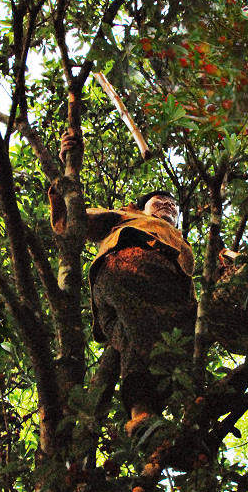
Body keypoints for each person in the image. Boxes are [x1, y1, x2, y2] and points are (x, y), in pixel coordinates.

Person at [50, 130, 196, 434]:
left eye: (173, 206)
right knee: (172, 340)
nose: (168, 206)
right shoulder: (129, 218)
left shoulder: (183, 244)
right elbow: (71, 221)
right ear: (138, 208)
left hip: (119, 308)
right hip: (131, 266)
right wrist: (66, 166)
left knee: (147, 351)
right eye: (160, 201)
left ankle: (142, 418)